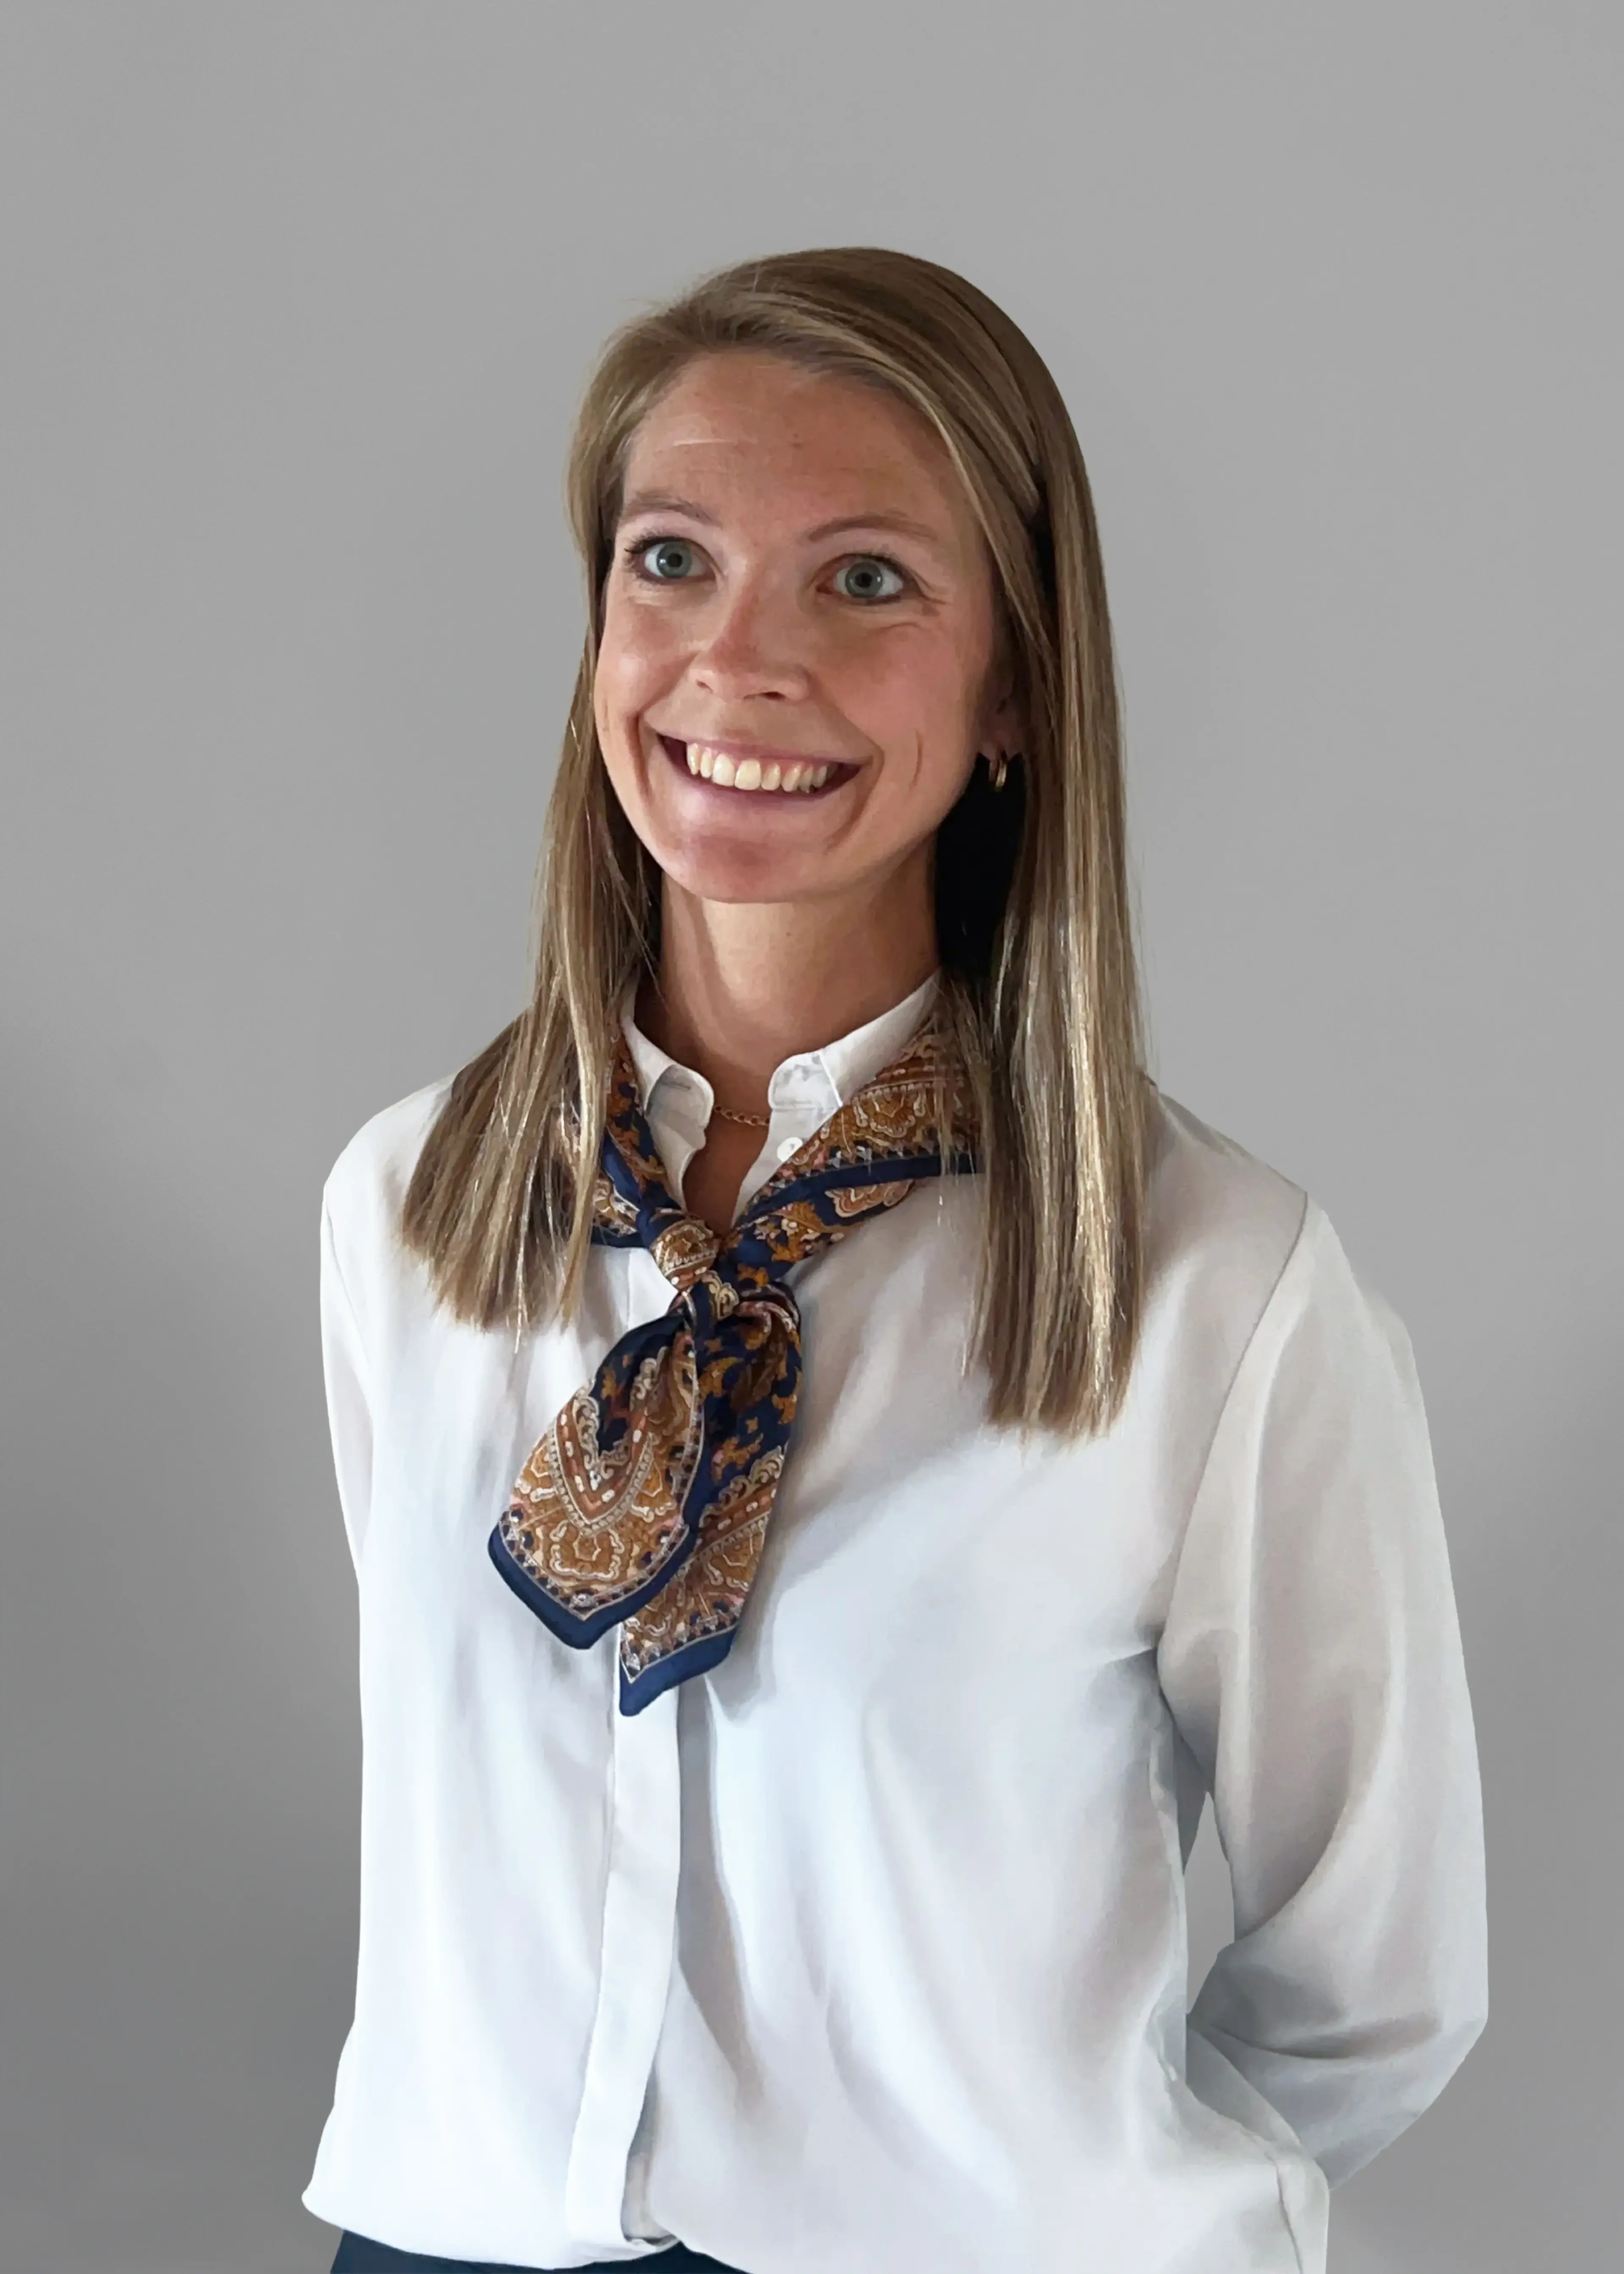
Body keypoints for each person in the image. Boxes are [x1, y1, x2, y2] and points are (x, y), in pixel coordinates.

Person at [304, 247, 1487, 2274]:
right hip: (443, 2247)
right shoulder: (414, 1212)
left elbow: (1382, 1978)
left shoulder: (1215, 1288)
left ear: (1016, 680)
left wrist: (1039, 2195)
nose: (737, 662)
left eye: (863, 581)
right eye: (672, 559)